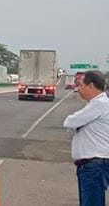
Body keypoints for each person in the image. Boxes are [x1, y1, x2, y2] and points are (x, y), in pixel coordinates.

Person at [63, 70, 109, 206]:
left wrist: (75, 122)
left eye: (81, 85)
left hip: (94, 165)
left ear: (91, 85)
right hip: (95, 164)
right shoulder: (99, 104)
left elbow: (70, 121)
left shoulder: (99, 104)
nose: (79, 88)